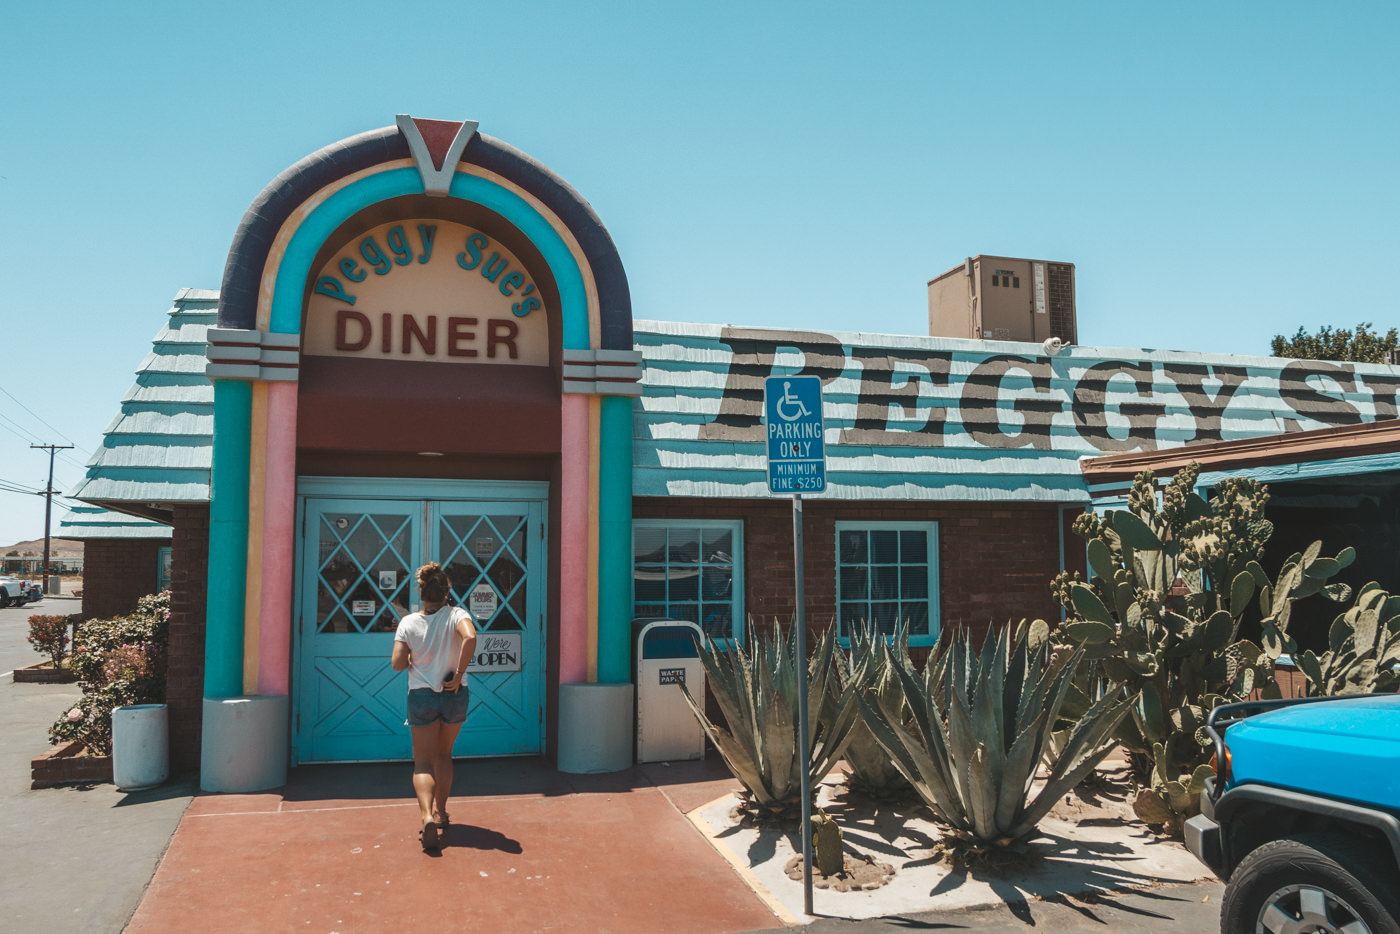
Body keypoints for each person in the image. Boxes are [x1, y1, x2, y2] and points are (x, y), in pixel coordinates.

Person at [391, 562, 477, 851]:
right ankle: (442, 812)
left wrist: (415, 659)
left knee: (423, 762)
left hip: (421, 696)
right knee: (444, 755)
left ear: (421, 593)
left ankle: (426, 815)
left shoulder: (409, 622)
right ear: (446, 592)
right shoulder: (457, 615)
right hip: (454, 693)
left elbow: (397, 664)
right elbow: (471, 636)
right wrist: (460, 673)